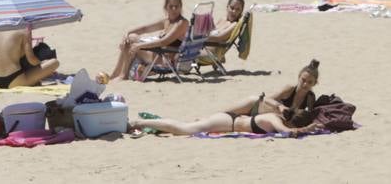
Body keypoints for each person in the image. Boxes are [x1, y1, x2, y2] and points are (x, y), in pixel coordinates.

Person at [134, 59, 331, 136]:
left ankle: (145, 122)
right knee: (210, 118)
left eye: (309, 82)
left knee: (198, 124)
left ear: (315, 84)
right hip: (256, 105)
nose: (305, 84)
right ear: (299, 77)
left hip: (243, 121)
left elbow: (305, 117)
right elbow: (266, 99)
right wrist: (279, 108)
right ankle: (140, 122)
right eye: (304, 80)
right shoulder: (289, 91)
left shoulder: (309, 98)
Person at [100, 0, 189, 82]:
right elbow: (145, 28)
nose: (174, 9)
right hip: (159, 53)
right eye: (171, 6)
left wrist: (139, 46)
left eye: (176, 6)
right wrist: (127, 33)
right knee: (131, 37)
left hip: (165, 60)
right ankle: (116, 74)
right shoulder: (167, 20)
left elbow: (163, 42)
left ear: (181, 7)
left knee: (131, 43)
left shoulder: (181, 23)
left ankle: (123, 75)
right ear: (166, 7)